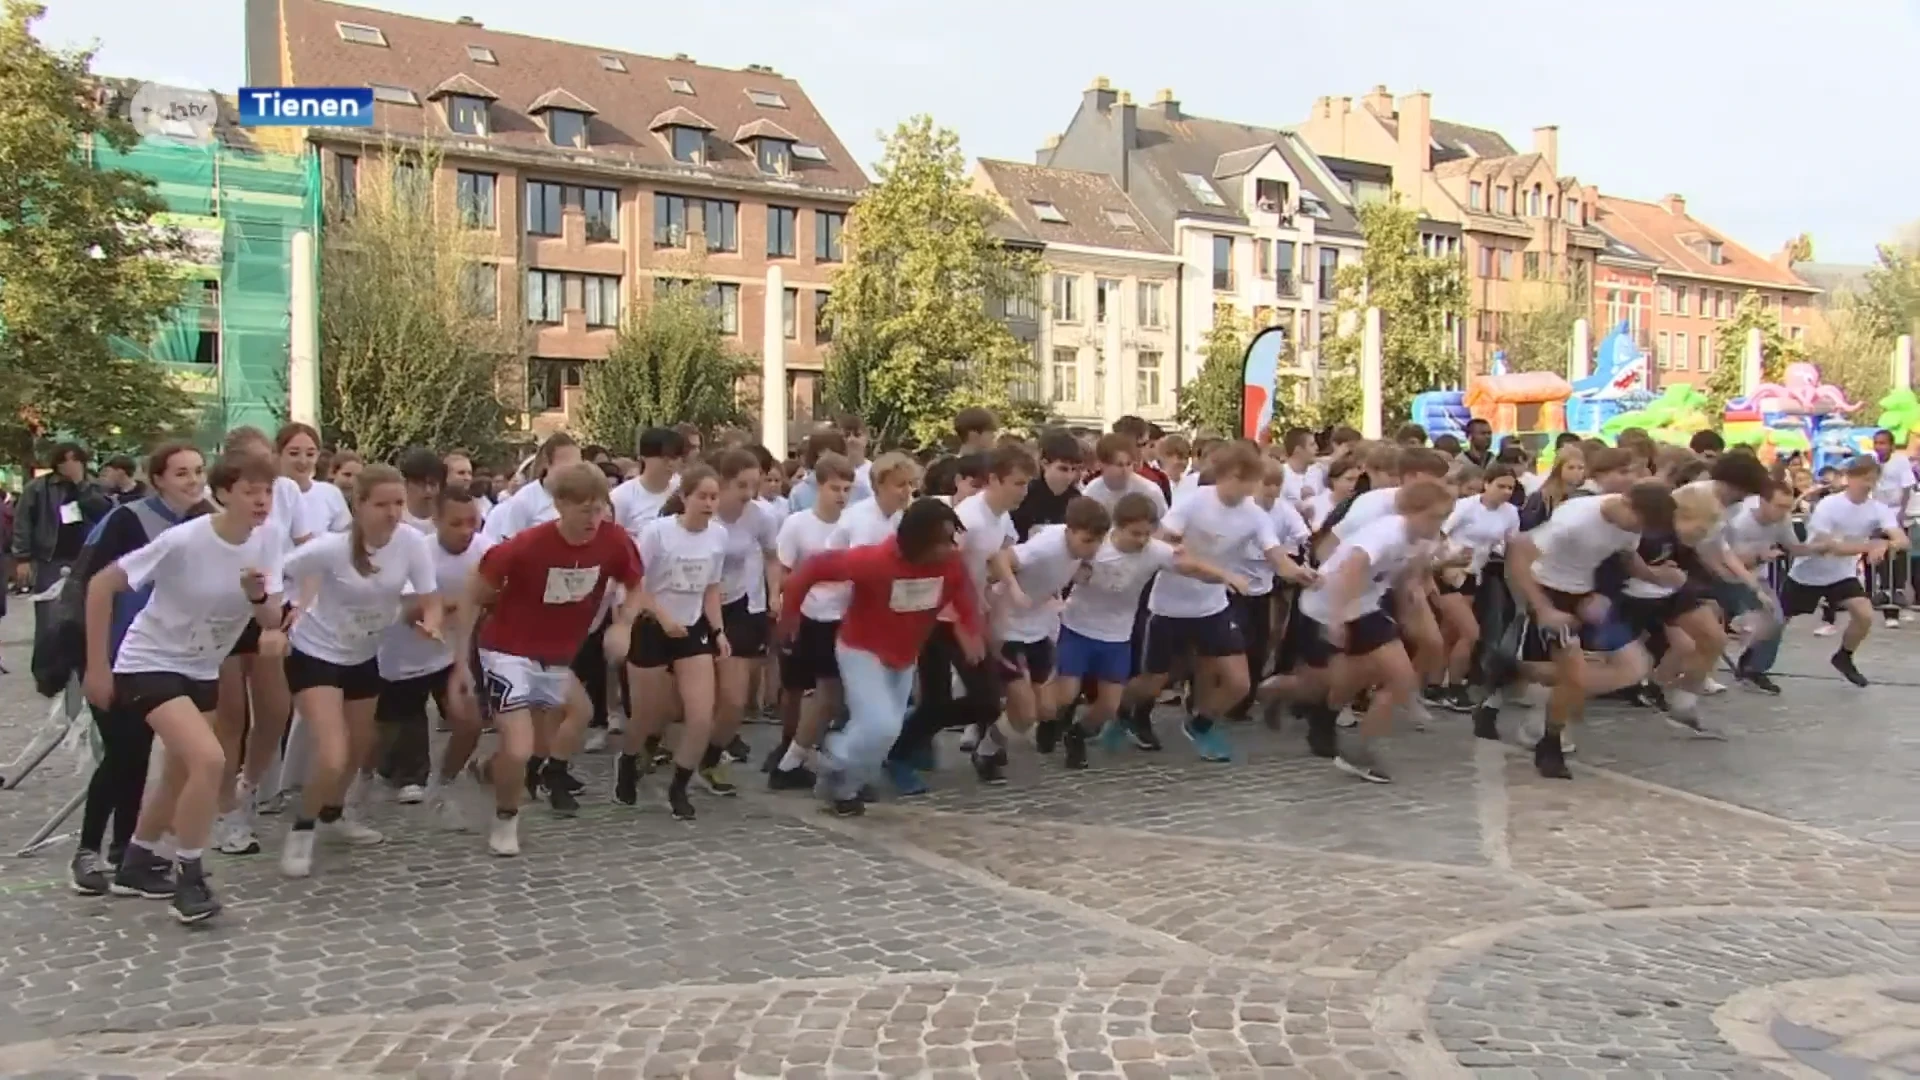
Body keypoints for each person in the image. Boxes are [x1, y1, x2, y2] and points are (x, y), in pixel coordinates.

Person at [83, 452, 289, 923]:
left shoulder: (270, 539)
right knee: (209, 760)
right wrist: (98, 667)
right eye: (250, 492)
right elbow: (100, 585)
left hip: (203, 666)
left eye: (267, 492)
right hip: (149, 661)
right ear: (223, 495)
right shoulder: (185, 540)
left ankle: (137, 860)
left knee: (180, 771)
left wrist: (259, 597)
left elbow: (269, 618)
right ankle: (190, 877)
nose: (261, 502)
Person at [470, 463, 644, 855]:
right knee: (519, 745)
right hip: (507, 650)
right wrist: (457, 652)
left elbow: (635, 584)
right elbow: (477, 589)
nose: (593, 519)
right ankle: (506, 819)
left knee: (539, 744)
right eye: (584, 509)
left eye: (599, 509)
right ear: (560, 505)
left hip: (557, 656)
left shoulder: (614, 541)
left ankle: (488, 770)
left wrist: (625, 625)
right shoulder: (528, 544)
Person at [277, 464, 440, 879]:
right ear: (359, 505)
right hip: (315, 653)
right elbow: (278, 570)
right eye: (381, 504)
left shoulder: (411, 543)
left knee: (360, 745)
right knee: (332, 751)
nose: (392, 512)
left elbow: (429, 596)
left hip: (364, 654)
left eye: (398, 503)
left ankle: (334, 813)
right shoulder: (332, 547)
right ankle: (302, 829)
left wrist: (432, 621)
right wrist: (285, 611)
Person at [777, 498, 983, 816]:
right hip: (861, 650)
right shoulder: (875, 561)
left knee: (884, 738)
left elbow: (966, 594)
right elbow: (812, 568)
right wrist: (790, 616)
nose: (949, 547)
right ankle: (832, 753)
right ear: (916, 541)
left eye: (951, 538)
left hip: (903, 657)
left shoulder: (950, 564)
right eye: (941, 541)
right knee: (880, 725)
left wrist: (970, 630)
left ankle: (842, 791)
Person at [67, 442, 210, 897]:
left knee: (144, 754)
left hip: (164, 655)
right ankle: (88, 851)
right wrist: (95, 665)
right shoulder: (129, 520)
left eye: (198, 471)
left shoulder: (203, 521)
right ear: (158, 478)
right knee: (123, 752)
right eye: (182, 473)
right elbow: (92, 587)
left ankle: (128, 853)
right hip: (115, 651)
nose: (193, 481)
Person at [374, 489, 491, 827]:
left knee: (469, 723)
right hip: (401, 657)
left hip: (449, 656)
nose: (467, 530)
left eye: (473, 521)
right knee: (385, 735)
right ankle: (370, 780)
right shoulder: (418, 553)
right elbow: (412, 611)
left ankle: (444, 785)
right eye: (456, 523)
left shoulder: (486, 550)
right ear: (436, 520)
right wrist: (460, 603)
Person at [624, 465, 730, 820]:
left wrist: (718, 631)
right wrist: (662, 617)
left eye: (714, 497)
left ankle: (680, 785)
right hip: (652, 627)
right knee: (647, 715)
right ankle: (627, 761)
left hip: (691, 629)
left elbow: (712, 588)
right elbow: (636, 584)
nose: (709, 503)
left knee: (700, 716)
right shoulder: (657, 533)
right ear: (684, 497)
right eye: (702, 496)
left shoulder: (718, 536)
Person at [13, 443, 111, 689]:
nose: (70, 465)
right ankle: (47, 672)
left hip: (87, 559)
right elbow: (23, 523)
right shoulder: (38, 489)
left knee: (85, 615)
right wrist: (22, 558)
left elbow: (105, 513)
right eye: (65, 461)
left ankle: (82, 664)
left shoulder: (93, 487)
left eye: (75, 460)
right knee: (49, 615)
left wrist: (81, 484)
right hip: (51, 558)